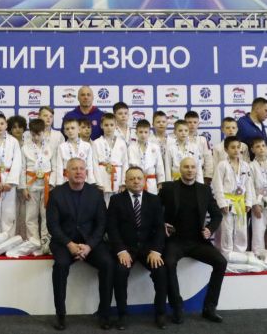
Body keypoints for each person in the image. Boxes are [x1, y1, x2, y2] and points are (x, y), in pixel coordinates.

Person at [46, 157, 114, 330]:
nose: (78, 172)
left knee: (107, 263)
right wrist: (69, 244)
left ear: (86, 172)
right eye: (74, 169)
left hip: (90, 243)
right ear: (66, 173)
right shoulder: (56, 194)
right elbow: (52, 225)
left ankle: (104, 314)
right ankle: (60, 314)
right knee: (60, 266)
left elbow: (102, 224)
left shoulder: (96, 194)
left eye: (81, 169)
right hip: (64, 243)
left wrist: (89, 246)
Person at [158, 157, 226, 324]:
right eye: (186, 167)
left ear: (197, 170)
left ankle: (209, 308)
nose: (189, 170)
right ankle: (177, 307)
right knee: (168, 263)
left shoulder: (205, 190)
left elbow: (217, 215)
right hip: (175, 240)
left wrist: (210, 229)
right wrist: (162, 224)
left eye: (193, 167)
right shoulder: (168, 188)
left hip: (197, 241)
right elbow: (154, 212)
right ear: (180, 169)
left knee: (221, 262)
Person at [108, 167, 168, 330]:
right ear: (126, 181)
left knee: (161, 271)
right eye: (132, 178)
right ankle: (122, 315)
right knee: (120, 272)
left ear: (144, 180)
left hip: (148, 249)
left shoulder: (154, 200)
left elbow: (159, 228)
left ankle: (160, 313)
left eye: (139, 178)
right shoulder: (116, 200)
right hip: (126, 249)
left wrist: (156, 250)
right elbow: (112, 228)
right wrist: (121, 250)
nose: (136, 181)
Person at [212, 136, 255, 257]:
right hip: (227, 201)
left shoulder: (245, 165)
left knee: (241, 230)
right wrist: (222, 203)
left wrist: (248, 202)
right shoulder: (222, 165)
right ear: (226, 150)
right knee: (227, 229)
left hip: (240, 201)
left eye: (238, 147)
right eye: (232, 147)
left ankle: (240, 254)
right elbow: (217, 185)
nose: (236, 150)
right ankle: (226, 255)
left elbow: (249, 185)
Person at [20, 118, 53, 247]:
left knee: (46, 214)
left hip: (46, 184)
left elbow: (54, 166)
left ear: (44, 131)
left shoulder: (50, 147)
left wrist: (52, 183)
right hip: (31, 183)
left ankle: (46, 242)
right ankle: (33, 242)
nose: (36, 137)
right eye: (33, 135)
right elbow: (22, 169)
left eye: (39, 134)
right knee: (31, 215)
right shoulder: (25, 148)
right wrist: (24, 187)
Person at [92, 113, 128, 206]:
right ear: (101, 126)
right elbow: (94, 163)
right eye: (106, 125)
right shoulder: (96, 143)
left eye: (112, 125)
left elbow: (125, 163)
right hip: (102, 175)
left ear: (116, 126)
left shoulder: (122, 142)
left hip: (117, 176)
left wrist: (123, 182)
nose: (109, 128)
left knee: (117, 204)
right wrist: (98, 183)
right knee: (103, 204)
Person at [53, 117, 95, 186]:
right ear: (65, 132)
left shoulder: (87, 146)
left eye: (72, 128)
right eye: (67, 129)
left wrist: (91, 182)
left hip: (84, 181)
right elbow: (59, 167)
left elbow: (89, 166)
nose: (70, 131)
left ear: (79, 130)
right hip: (66, 181)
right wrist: (59, 184)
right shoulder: (62, 147)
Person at [127, 119, 165, 195]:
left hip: (151, 181)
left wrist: (160, 182)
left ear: (149, 133)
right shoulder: (131, 148)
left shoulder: (155, 147)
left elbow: (159, 166)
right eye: (140, 132)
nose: (143, 135)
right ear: (136, 133)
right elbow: (128, 166)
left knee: (151, 199)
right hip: (135, 181)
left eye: (145, 132)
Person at [164, 120, 204, 184]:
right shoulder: (170, 148)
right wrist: (168, 185)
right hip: (176, 180)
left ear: (188, 131)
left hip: (191, 180)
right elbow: (168, 168)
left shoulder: (194, 147)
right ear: (175, 132)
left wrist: (200, 184)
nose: (183, 133)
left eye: (186, 130)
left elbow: (198, 167)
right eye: (180, 131)